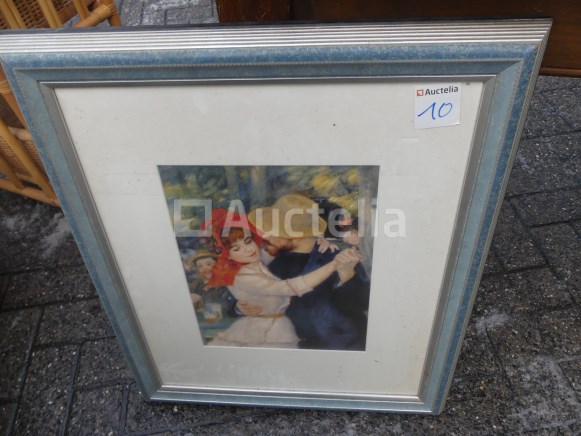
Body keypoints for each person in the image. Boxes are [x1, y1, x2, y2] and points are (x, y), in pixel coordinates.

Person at [202, 208, 358, 348]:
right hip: (264, 333)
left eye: (248, 242)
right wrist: (333, 264)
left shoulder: (260, 260)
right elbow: (289, 287)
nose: (248, 249)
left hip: (328, 337)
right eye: (237, 249)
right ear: (227, 255)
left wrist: (318, 239)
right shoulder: (243, 274)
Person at [248, 193, 370, 351]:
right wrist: (239, 305)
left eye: (274, 230)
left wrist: (347, 275)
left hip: (339, 349)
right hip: (293, 349)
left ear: (297, 236)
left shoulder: (340, 258)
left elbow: (363, 303)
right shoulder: (278, 262)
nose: (266, 235)